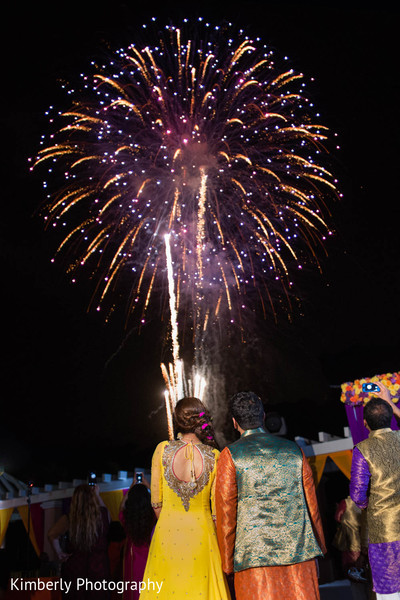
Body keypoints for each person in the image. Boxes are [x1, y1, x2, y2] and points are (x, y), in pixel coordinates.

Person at [215, 391, 326, 600]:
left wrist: (228, 563)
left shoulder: (230, 456)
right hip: (300, 556)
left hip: (253, 561)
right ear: (263, 416)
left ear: (234, 422)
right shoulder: (293, 450)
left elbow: (226, 515)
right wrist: (318, 547)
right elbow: (312, 505)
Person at [139, 397, 231, 600]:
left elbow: (156, 503)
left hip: (167, 535)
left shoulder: (162, 450)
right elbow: (216, 513)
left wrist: (172, 521)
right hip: (202, 536)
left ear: (177, 421)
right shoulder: (215, 455)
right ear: (202, 419)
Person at [350, 384, 400, 600]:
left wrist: (366, 506)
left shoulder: (363, 449)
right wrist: (391, 403)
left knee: (390, 592)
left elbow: (358, 493)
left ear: (365, 423)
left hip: (384, 530)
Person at [47, 483, 110, 599]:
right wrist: (97, 495)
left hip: (75, 570)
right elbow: (106, 513)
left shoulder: (69, 518)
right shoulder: (101, 515)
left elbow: (52, 535)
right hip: (98, 568)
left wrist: (59, 553)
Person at [119, 480, 156, 600]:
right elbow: (161, 505)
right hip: (150, 559)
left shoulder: (127, 519)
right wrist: (148, 486)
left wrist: (131, 488)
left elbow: (121, 508)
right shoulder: (153, 518)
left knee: (133, 591)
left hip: (132, 559)